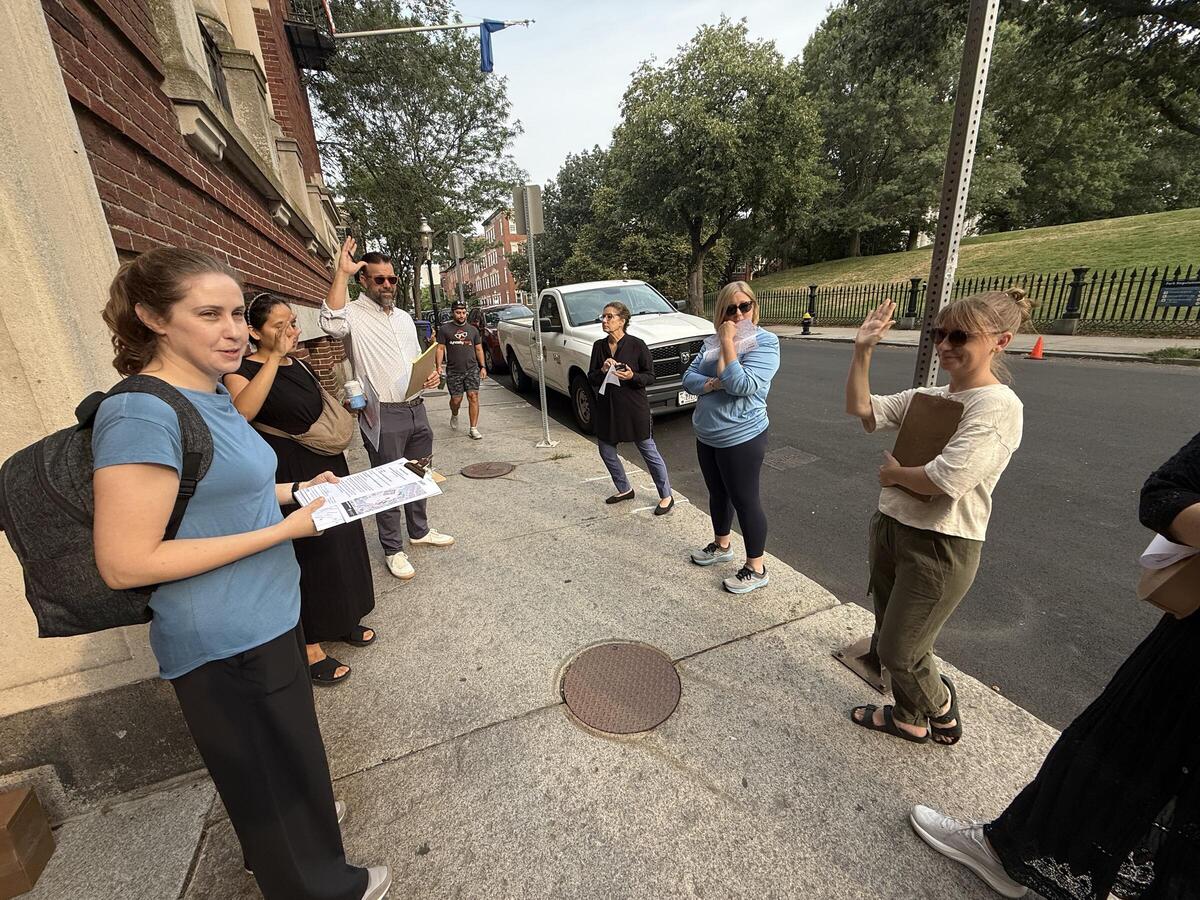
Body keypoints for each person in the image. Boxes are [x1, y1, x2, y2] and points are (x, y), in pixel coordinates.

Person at [91, 248, 388, 899]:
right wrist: (286, 529)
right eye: (209, 313)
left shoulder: (210, 393)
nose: (234, 329)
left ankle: (296, 840)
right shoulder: (141, 413)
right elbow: (124, 561)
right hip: (223, 635)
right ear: (152, 317)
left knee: (283, 762)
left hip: (271, 609)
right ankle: (322, 886)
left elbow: (223, 493)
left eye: (235, 313)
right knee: (267, 776)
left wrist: (299, 491)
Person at [909, 433, 1200, 899]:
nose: (943, 352)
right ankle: (1015, 853)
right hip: (1190, 650)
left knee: (1120, 755)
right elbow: (1165, 493)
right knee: (1115, 752)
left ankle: (1018, 854)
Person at [844, 291, 1030, 744]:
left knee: (899, 648)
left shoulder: (997, 405)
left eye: (960, 335)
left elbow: (949, 478)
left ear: (1000, 341)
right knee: (892, 633)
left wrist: (893, 474)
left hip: (941, 544)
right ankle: (908, 717)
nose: (945, 344)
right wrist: (862, 349)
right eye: (939, 333)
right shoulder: (929, 396)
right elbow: (863, 410)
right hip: (893, 528)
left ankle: (940, 707)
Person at [224, 293, 377, 686]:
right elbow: (244, 412)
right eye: (279, 326)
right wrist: (273, 357)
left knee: (343, 540)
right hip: (290, 467)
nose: (290, 332)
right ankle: (310, 643)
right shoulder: (240, 370)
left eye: (292, 323)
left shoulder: (302, 364)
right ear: (254, 332)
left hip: (326, 461)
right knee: (311, 551)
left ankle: (344, 617)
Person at [320, 236, 453, 582]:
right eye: (379, 279)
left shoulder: (405, 318)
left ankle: (419, 531)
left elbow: (414, 360)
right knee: (387, 484)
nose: (387, 285)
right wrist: (341, 273)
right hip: (383, 413)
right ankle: (393, 548)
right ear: (364, 281)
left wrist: (431, 374)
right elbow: (330, 323)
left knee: (418, 473)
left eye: (391, 279)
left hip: (416, 406)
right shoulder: (351, 313)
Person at [681, 281, 780, 594]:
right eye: (730, 308)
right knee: (717, 493)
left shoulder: (766, 342)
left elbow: (741, 385)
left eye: (744, 306)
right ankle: (722, 545)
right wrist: (713, 382)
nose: (738, 314)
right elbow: (688, 379)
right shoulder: (710, 342)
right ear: (720, 311)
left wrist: (727, 342)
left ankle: (756, 567)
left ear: (754, 307)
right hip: (707, 433)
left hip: (742, 435)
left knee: (745, 499)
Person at [586, 301, 674, 514]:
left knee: (648, 450)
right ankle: (624, 488)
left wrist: (632, 375)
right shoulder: (599, 346)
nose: (604, 321)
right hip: (608, 407)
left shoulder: (637, 344)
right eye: (603, 317)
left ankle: (666, 495)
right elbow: (591, 378)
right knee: (606, 450)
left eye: (609, 317)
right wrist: (602, 368)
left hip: (634, 407)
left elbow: (650, 376)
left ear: (622, 321)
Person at [435, 299, 486, 439]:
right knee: (456, 400)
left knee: (473, 396)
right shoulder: (445, 330)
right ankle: (455, 413)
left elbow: (479, 349)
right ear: (453, 313)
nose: (461, 315)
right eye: (458, 312)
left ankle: (473, 428)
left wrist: (483, 367)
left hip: (472, 369)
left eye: (463, 312)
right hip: (454, 371)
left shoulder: (473, 330)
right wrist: (438, 366)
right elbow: (440, 348)